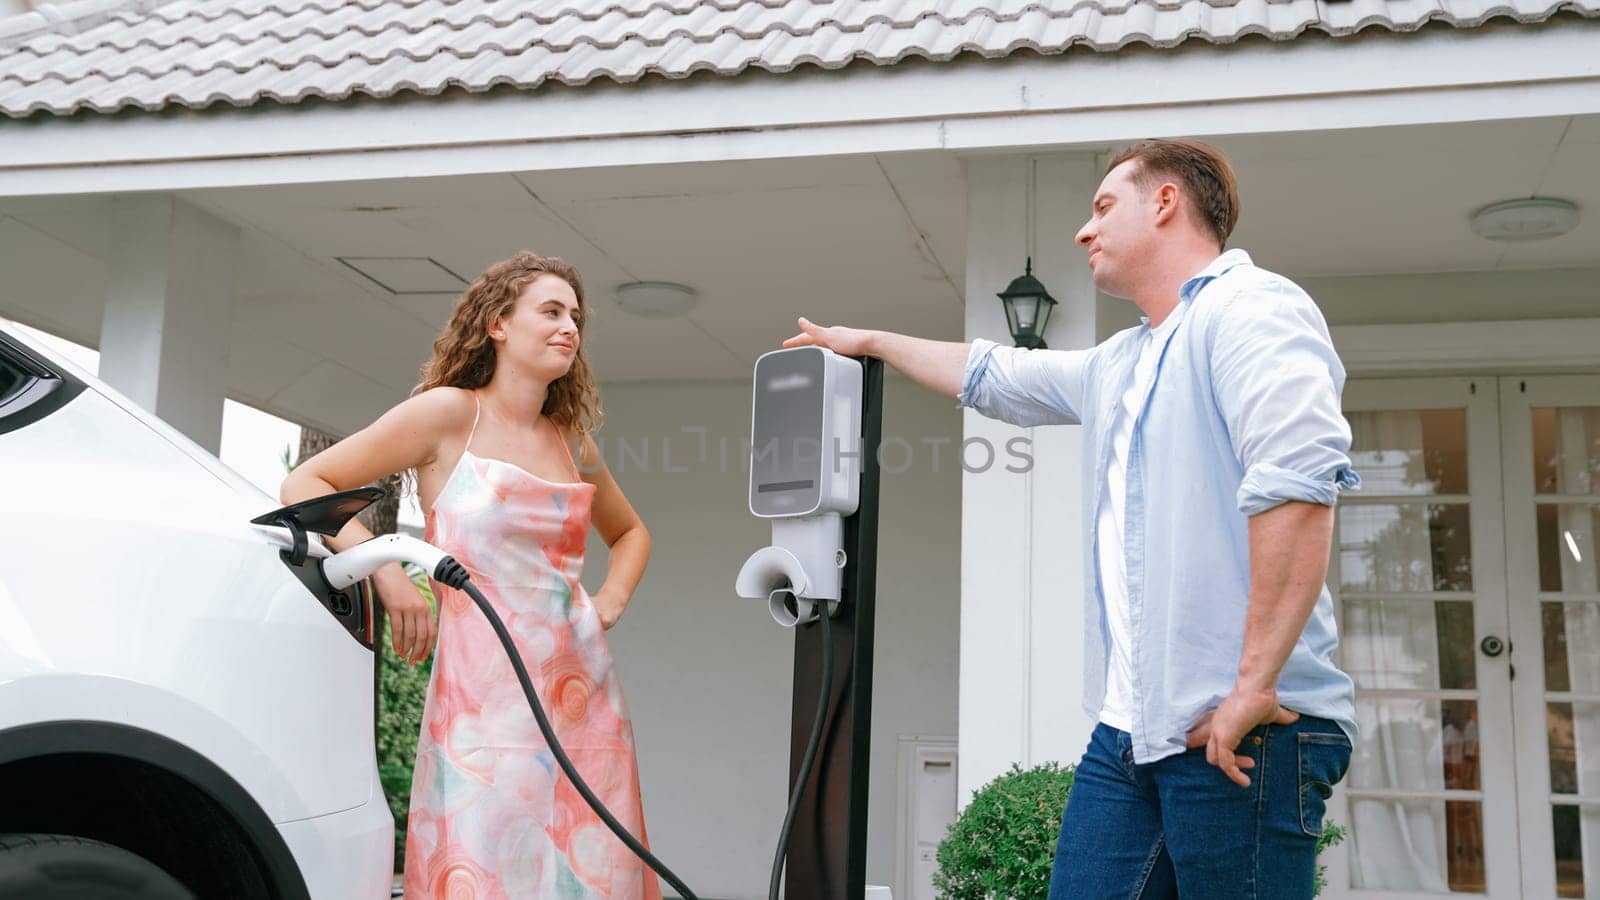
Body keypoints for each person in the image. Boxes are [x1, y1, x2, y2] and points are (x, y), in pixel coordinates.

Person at [784, 139, 1358, 899]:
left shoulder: (1252, 310)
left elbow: (1297, 486)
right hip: (1133, 732)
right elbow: (996, 374)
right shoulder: (1123, 360)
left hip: (1243, 726)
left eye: (1101, 206)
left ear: (1165, 203)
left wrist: (1252, 684)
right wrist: (873, 343)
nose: (1083, 232)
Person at [280, 251, 659, 899]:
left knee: (592, 879)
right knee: (484, 874)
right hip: (478, 710)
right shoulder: (448, 415)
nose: (570, 325)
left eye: (576, 316)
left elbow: (631, 534)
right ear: (498, 325)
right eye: (550, 311)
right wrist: (393, 575)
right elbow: (305, 483)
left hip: (581, 699)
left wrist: (608, 604)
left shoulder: (571, 441)